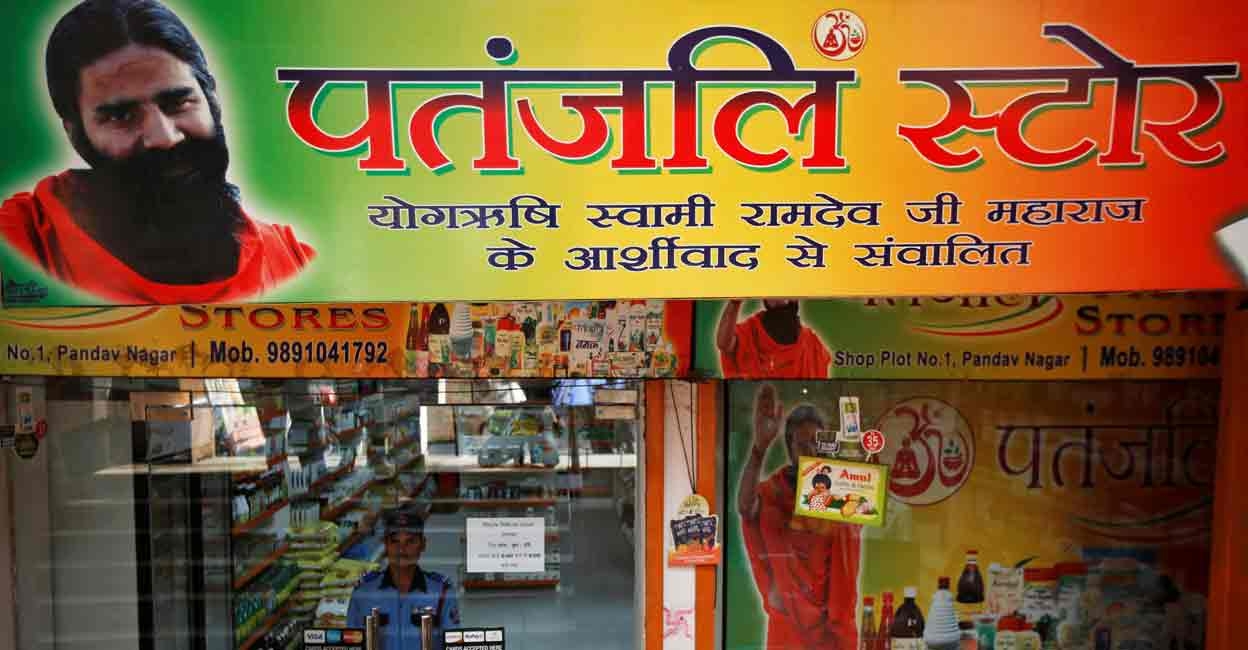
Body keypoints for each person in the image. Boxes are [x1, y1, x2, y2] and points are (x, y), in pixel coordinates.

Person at [0, 0, 313, 304]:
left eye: (178, 102)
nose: (164, 137)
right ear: (75, 133)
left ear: (211, 100)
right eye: (121, 116)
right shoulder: (23, 242)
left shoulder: (290, 261)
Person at [738, 383, 861, 650]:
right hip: (787, 628)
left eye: (816, 443)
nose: (811, 451)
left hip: (831, 628)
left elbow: (848, 547)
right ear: (790, 447)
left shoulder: (840, 491)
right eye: (802, 444)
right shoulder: (774, 490)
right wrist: (759, 449)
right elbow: (746, 507)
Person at [347, 506, 460, 649]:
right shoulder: (364, 591)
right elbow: (352, 643)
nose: (402, 549)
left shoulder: (442, 592)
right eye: (395, 542)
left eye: (410, 541)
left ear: (423, 544)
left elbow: (454, 644)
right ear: (385, 545)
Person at [717, 300, 831, 378]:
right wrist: (735, 302)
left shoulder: (811, 343)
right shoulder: (750, 331)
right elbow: (724, 344)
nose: (783, 299)